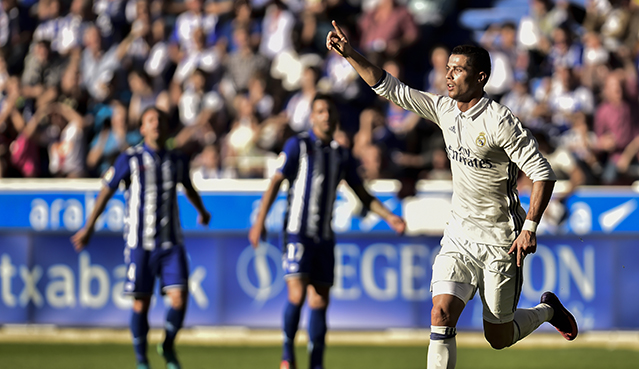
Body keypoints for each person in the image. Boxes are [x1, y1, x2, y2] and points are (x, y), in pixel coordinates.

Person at [326, 21, 578, 369]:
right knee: (441, 312)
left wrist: (530, 228)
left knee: (498, 337)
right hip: (459, 235)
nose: (449, 76)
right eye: (448, 69)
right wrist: (350, 54)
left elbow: (542, 173)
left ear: (480, 78)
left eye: (459, 71)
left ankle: (548, 309)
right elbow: (391, 89)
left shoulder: (499, 121)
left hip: (499, 239)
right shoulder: (445, 110)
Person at [249, 93, 407, 369]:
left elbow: (362, 194)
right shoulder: (297, 145)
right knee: (297, 294)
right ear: (312, 117)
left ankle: (317, 363)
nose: (326, 116)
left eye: (330, 111)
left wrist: (390, 217)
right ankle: (287, 355)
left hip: (324, 236)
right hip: (298, 231)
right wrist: (259, 220)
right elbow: (276, 182)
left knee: (320, 299)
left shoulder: (341, 154)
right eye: (320, 111)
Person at [71, 107, 211, 369]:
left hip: (171, 244)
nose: (156, 124)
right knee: (141, 304)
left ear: (167, 128)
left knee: (180, 299)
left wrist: (202, 211)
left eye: (160, 120)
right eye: (150, 120)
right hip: (140, 244)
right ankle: (142, 360)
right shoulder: (129, 159)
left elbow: (189, 188)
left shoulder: (177, 160)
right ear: (143, 129)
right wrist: (89, 227)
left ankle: (167, 345)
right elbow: (106, 191)